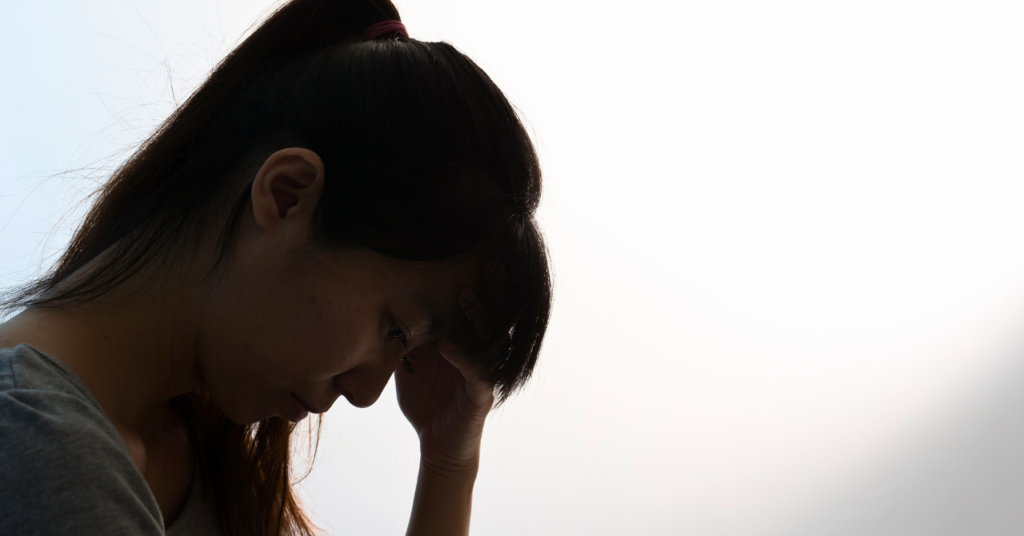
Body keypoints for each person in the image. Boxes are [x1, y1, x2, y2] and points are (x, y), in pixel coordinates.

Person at [0, 1, 551, 535]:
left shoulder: (199, 461)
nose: (365, 394)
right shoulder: (38, 447)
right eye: (394, 331)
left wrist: (448, 461)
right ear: (286, 195)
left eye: (406, 354)